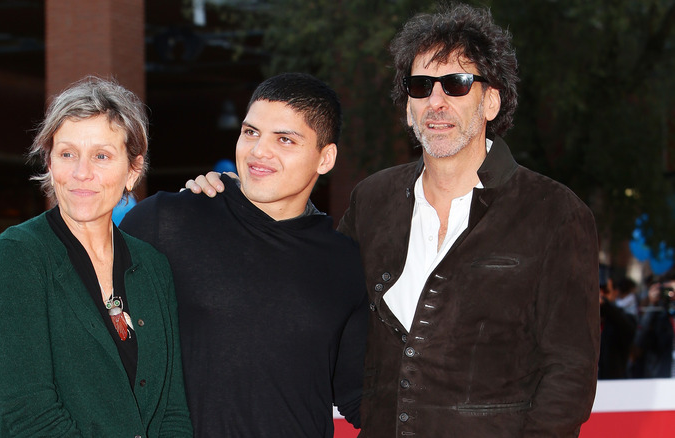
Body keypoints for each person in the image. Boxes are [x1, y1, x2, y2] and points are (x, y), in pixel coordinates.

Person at [188, 5, 600, 437]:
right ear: (408, 107)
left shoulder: (554, 212)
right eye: (421, 86)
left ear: (491, 101)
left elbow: (569, 372)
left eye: (456, 84)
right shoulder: (374, 199)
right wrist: (240, 204)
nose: (435, 102)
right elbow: (314, 273)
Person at [120, 73, 367, 437]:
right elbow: (93, 341)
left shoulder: (345, 262)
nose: (259, 151)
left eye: (285, 139)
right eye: (251, 132)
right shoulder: (168, 221)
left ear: (325, 158)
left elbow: (359, 395)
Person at [0, 76, 192, 437]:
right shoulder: (18, 255)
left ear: (133, 169)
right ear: (49, 161)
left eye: (102, 156)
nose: (81, 174)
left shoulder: (153, 266)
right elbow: (32, 416)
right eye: (67, 154)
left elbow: (173, 410)